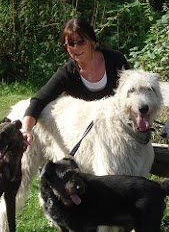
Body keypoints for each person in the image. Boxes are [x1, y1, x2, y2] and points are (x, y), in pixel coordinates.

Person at [20, 18, 130, 146]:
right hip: (86, 137)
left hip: (120, 129)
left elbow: (132, 92)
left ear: (92, 40)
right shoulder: (67, 73)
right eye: (71, 44)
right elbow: (39, 100)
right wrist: (26, 130)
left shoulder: (116, 60)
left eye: (80, 42)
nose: (76, 48)